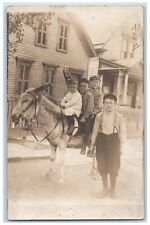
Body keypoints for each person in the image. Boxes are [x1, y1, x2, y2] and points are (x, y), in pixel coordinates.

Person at [89, 94, 126, 198]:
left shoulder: (119, 117)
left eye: (111, 103)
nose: (108, 105)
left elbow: (122, 132)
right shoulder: (99, 116)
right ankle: (105, 188)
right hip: (101, 141)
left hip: (114, 142)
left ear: (115, 105)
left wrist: (122, 146)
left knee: (113, 167)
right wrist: (92, 145)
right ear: (103, 104)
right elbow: (95, 131)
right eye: (106, 102)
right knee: (102, 166)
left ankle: (113, 190)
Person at [78, 78, 94, 155]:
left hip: (86, 115)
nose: (83, 88)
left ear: (88, 87)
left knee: (87, 128)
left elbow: (90, 108)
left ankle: (84, 145)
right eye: (81, 86)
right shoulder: (77, 94)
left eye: (85, 86)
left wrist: (84, 116)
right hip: (77, 113)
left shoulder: (89, 96)